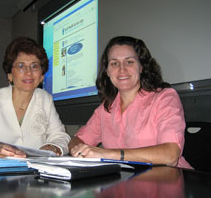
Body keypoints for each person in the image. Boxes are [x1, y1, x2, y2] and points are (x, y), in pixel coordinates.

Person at [68, 36, 192, 168]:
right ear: (108, 72)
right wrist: (79, 151)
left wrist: (109, 154)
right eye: (114, 63)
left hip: (169, 181)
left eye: (129, 62)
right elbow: (77, 140)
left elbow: (170, 155)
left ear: (141, 67)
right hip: (125, 182)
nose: (122, 70)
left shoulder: (164, 98)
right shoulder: (105, 109)